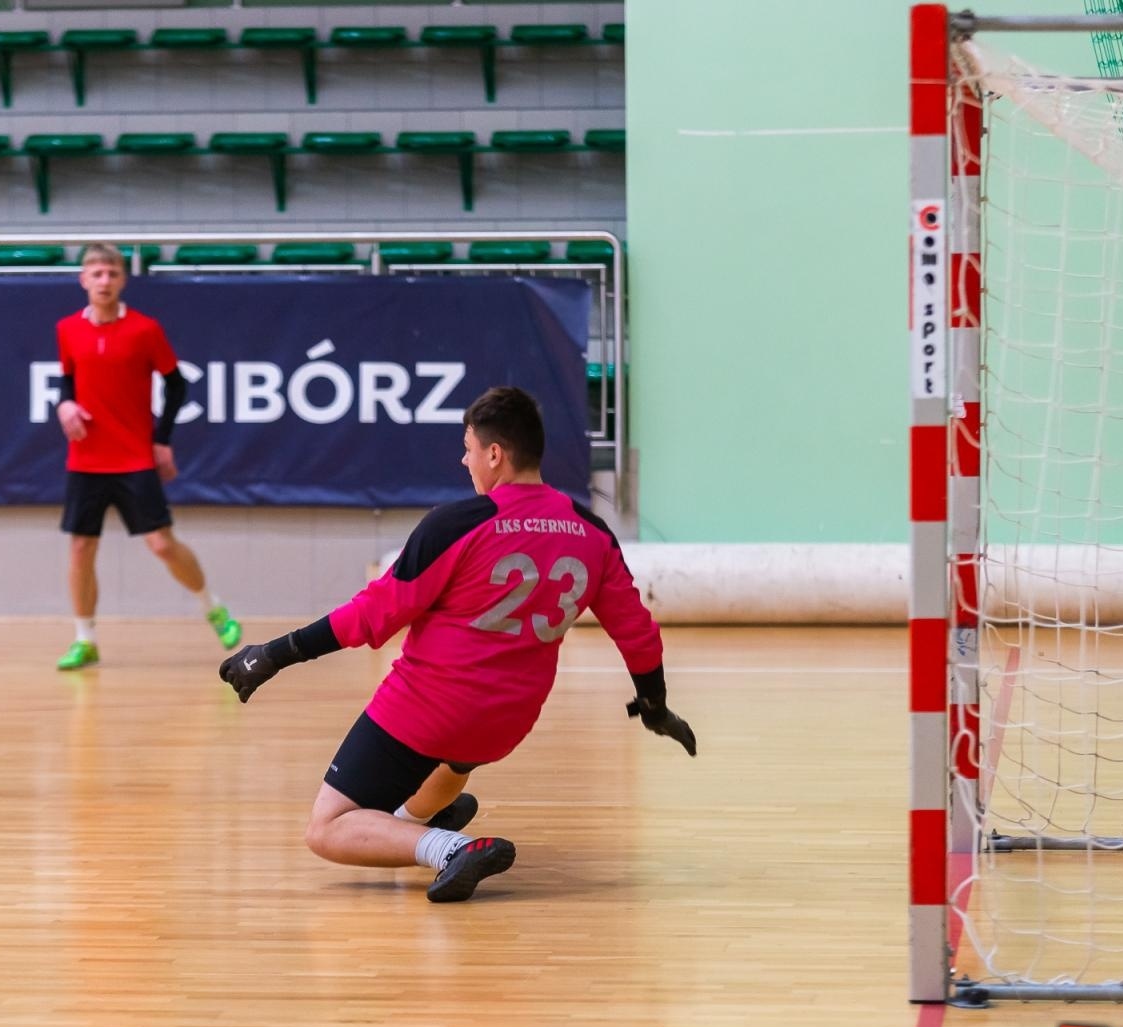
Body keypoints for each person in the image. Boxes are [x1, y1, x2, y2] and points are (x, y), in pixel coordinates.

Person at [218, 385, 696, 902]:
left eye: (468, 447)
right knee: (445, 764)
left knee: (327, 828)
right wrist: (654, 704)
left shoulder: (459, 523)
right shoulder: (592, 532)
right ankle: (423, 820)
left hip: (427, 712)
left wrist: (273, 654)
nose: (463, 458)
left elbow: (373, 616)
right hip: (505, 725)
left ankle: (448, 848)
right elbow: (637, 632)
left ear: (496, 454)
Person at [53, 242, 241, 670]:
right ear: (83, 279)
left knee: (161, 544)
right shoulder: (67, 329)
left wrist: (161, 440)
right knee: (81, 548)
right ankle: (85, 638)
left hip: (134, 457)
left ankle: (213, 607)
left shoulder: (145, 329)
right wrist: (64, 404)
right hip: (86, 460)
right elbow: (67, 380)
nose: (104, 281)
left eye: (112, 273)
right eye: (96, 273)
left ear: (123, 280)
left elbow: (176, 385)